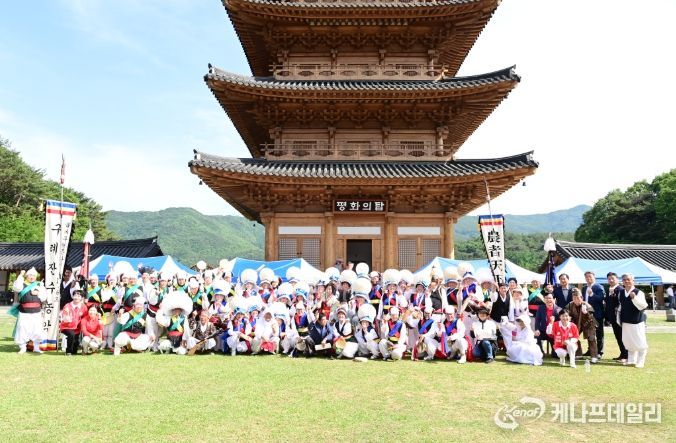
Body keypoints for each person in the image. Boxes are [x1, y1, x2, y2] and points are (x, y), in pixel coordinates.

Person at [12, 268, 48, 354]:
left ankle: (36, 347)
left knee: (37, 329)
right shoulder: (22, 284)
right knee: (22, 328)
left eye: (33, 275)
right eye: (30, 275)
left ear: (36, 277)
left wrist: (38, 293)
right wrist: (21, 275)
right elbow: (16, 288)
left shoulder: (39, 284)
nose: (32, 277)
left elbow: (44, 297)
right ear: (27, 276)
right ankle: (22, 347)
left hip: (36, 312)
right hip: (24, 312)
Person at [618, 273, 649, 368]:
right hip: (626, 321)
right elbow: (621, 306)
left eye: (628, 279)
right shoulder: (621, 292)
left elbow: (644, 306)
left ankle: (641, 361)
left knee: (640, 342)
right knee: (629, 342)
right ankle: (631, 360)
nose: (626, 281)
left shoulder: (639, 292)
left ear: (633, 281)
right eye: (624, 280)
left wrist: (634, 298)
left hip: (637, 321)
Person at [566, 288, 598, 363]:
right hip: (576, 324)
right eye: (574, 298)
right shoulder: (570, 305)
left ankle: (594, 356)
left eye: (578, 298)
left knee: (591, 338)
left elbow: (591, 317)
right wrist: (568, 317)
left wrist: (586, 313)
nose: (576, 300)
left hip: (588, 324)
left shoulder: (587, 305)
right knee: (573, 337)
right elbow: (566, 313)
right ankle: (578, 353)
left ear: (581, 298)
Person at [582, 271, 606, 358]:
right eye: (586, 277)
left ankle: (600, 352)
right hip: (587, 314)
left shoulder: (599, 287)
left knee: (599, 333)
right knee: (589, 333)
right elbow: (584, 299)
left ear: (594, 277)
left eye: (590, 276)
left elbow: (601, 298)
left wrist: (592, 294)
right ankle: (590, 350)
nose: (588, 278)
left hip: (597, 313)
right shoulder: (584, 288)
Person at [605, 272, 628, 362]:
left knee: (623, 336)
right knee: (618, 336)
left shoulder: (621, 289)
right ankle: (622, 353)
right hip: (612, 318)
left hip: (620, 318)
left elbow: (621, 303)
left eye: (612, 278)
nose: (611, 280)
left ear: (617, 279)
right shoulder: (608, 289)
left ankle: (626, 355)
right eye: (609, 279)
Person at [60, 288, 87, 355]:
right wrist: (67, 314)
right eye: (75, 295)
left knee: (75, 348)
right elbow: (65, 319)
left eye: (78, 296)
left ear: (82, 298)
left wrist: (83, 326)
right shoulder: (67, 305)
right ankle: (68, 351)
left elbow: (85, 318)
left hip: (77, 328)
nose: (76, 297)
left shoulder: (83, 307)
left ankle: (73, 350)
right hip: (66, 327)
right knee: (71, 334)